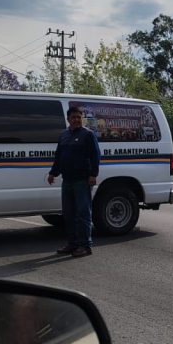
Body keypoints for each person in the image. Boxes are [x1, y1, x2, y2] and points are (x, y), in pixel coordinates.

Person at [48, 106, 102, 258]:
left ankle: (85, 245)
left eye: (79, 117)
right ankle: (72, 243)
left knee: (83, 214)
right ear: (68, 119)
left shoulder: (88, 135)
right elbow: (59, 156)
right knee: (68, 213)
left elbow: (95, 156)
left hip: (82, 180)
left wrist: (93, 174)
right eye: (74, 117)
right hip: (67, 180)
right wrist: (53, 173)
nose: (77, 120)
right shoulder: (64, 135)